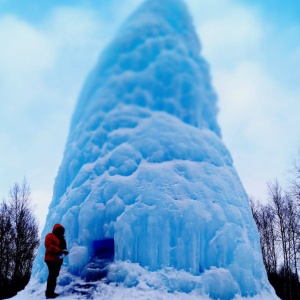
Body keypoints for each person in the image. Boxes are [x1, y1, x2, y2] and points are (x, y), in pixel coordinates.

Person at [44, 224, 69, 299]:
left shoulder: (62, 239)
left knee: (54, 275)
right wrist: (59, 250)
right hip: (50, 259)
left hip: (58, 260)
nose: (60, 231)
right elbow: (48, 245)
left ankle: (51, 292)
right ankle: (49, 293)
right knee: (52, 275)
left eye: (61, 230)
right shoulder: (50, 236)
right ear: (55, 229)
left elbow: (64, 248)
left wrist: (64, 252)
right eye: (58, 229)